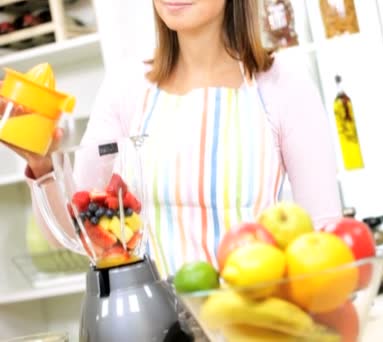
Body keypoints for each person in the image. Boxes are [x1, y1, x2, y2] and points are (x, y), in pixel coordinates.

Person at [0, 0, 342, 277]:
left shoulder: (282, 85)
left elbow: (325, 235)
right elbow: (75, 232)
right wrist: (41, 164)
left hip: (250, 319)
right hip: (152, 326)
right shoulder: (127, 87)